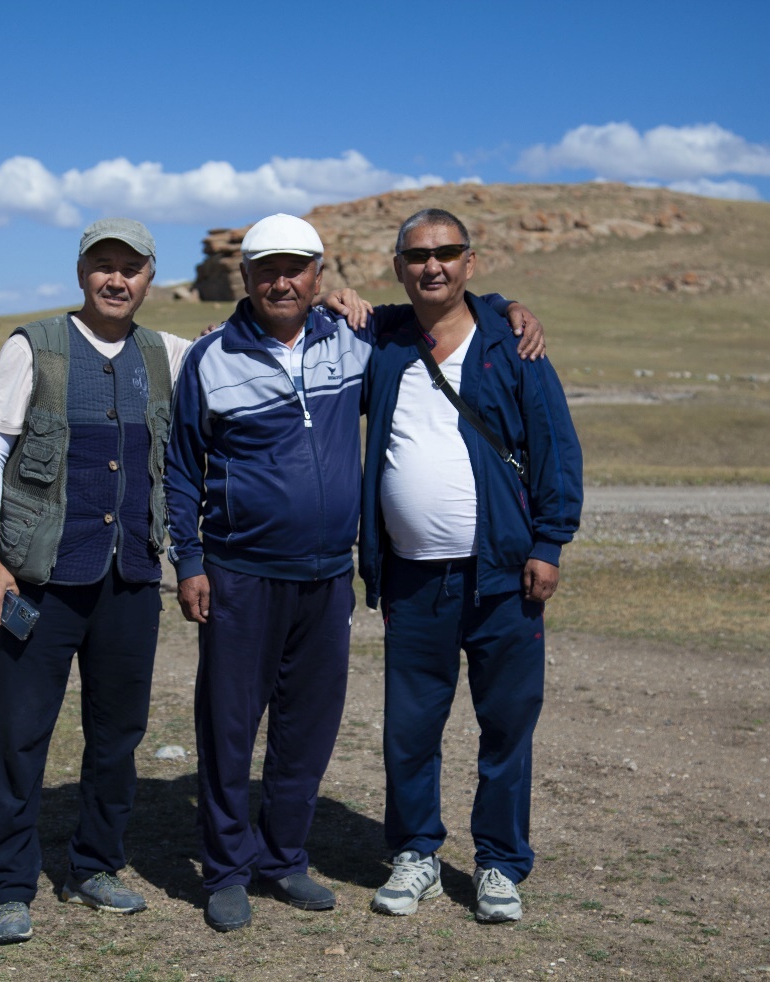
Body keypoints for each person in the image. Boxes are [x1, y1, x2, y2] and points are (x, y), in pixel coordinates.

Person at [163, 213, 547, 932]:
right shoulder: (210, 357)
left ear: (319, 275)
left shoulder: (354, 338)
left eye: (296, 269)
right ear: (245, 277)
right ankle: (226, 870)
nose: (282, 282)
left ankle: (283, 858)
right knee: (228, 728)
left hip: (328, 576)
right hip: (240, 571)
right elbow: (182, 468)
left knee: (307, 729)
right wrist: (188, 560)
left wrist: (503, 307)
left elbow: (441, 304)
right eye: (267, 270)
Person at [0, 218, 191, 945]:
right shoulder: (33, 345)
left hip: (131, 576)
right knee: (17, 734)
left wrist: (338, 304)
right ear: (81, 271)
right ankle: (7, 885)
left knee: (118, 736)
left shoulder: (167, 354)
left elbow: (245, 339)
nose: (116, 279)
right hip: (39, 577)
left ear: (150, 277)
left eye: (131, 267)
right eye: (103, 265)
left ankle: (95, 865)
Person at [358, 208, 582, 923]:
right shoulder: (383, 340)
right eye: (418, 256)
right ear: (398, 268)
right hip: (412, 577)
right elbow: (309, 325)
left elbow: (555, 446)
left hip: (504, 576)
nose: (433, 265)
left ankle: (499, 864)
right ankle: (416, 853)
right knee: (409, 729)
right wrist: (331, 298)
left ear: (469, 262)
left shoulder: (510, 343)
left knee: (507, 725)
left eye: (447, 252)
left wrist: (549, 544)